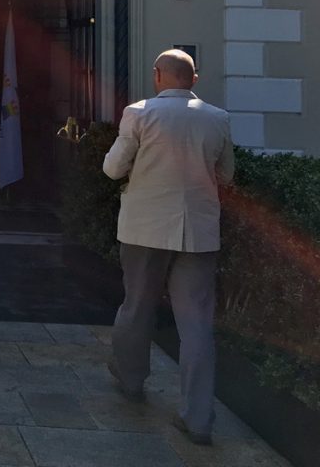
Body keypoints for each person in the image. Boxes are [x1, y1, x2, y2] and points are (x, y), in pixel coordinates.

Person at [102, 49, 235, 446]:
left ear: (158, 75)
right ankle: (198, 419)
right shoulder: (218, 118)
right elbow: (226, 173)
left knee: (136, 306)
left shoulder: (139, 113)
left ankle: (130, 380)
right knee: (196, 325)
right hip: (198, 232)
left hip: (144, 229)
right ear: (194, 79)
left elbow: (112, 168)